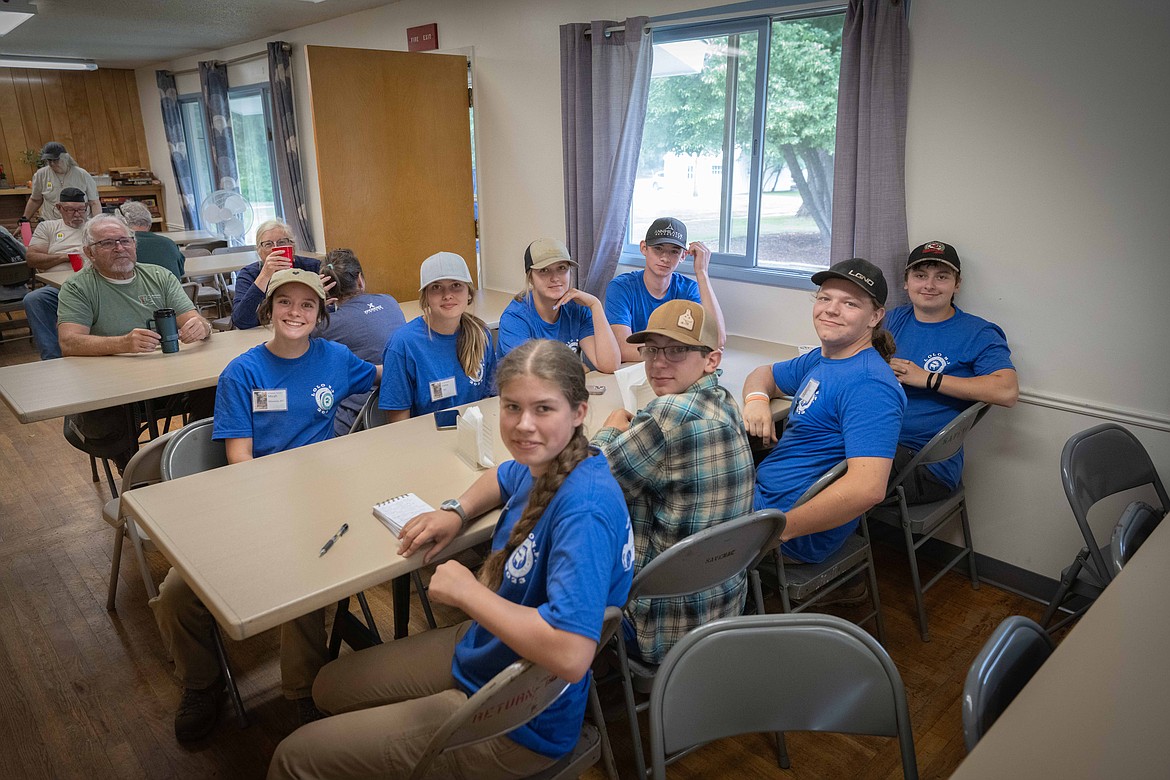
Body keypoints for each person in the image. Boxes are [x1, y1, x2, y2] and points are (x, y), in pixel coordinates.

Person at [268, 339, 635, 780]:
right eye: (512, 407)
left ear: (578, 412)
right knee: (327, 686)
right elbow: (504, 475)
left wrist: (467, 593)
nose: (523, 425)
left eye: (543, 409)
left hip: (519, 722)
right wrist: (455, 512)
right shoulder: (555, 461)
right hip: (488, 648)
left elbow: (573, 655)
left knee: (293, 757)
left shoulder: (585, 510)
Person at [151, 267, 380, 743]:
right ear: (268, 310)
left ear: (320, 316)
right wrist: (268, 516)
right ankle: (202, 683)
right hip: (253, 498)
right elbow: (240, 459)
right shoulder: (243, 371)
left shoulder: (335, 358)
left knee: (303, 584)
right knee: (176, 594)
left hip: (319, 496)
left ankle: (300, 692)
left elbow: (381, 374)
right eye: (285, 303)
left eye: (307, 305)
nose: (295, 312)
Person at [592, 299, 754, 663]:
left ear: (711, 359)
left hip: (658, 628)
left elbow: (584, 486)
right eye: (651, 350)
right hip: (721, 609)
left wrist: (606, 432)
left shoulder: (667, 416)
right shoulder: (726, 401)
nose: (658, 363)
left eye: (677, 350)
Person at [742, 258, 905, 568]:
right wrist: (756, 400)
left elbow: (867, 489)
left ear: (875, 317)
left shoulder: (869, 386)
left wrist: (779, 531)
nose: (831, 309)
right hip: (766, 499)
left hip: (785, 526)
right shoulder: (824, 358)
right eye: (825, 298)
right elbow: (764, 374)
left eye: (850, 304)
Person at [886, 241, 1018, 503]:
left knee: (823, 473)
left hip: (922, 466)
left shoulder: (978, 333)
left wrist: (927, 378)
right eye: (920, 275)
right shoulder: (890, 320)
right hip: (874, 439)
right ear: (906, 282)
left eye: (942, 277)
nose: (929, 285)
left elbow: (1007, 391)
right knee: (802, 451)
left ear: (957, 284)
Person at [57, 215, 211, 356]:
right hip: (109, 372)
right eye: (107, 243)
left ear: (134, 244)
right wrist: (123, 343)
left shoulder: (161, 276)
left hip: (164, 363)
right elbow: (69, 343)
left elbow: (195, 319)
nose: (120, 248)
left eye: (125, 241)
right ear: (90, 252)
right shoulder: (77, 287)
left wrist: (202, 327)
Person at [379, 252, 496, 421]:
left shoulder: (481, 334)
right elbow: (398, 424)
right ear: (425, 297)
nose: (447, 294)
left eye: (456, 285)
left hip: (474, 435)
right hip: (425, 441)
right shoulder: (403, 345)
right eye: (436, 287)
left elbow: (489, 400)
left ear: (469, 293)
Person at [604, 216, 726, 362]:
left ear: (683, 256)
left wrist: (702, 273)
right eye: (658, 249)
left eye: (674, 252)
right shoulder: (621, 288)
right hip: (633, 370)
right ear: (644, 248)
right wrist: (682, 351)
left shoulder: (688, 289)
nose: (665, 258)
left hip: (675, 369)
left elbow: (717, 341)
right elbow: (622, 349)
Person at [316, 247, 406, 435]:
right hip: (401, 402)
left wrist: (314, 306)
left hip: (359, 415)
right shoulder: (389, 300)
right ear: (359, 280)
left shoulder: (325, 325)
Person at [497, 238, 621, 372]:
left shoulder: (577, 309)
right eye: (544, 270)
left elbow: (610, 365)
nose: (555, 278)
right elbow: (533, 373)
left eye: (562, 268)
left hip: (563, 389)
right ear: (530, 277)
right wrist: (577, 368)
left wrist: (595, 305)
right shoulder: (515, 318)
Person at [23, 187, 91, 359]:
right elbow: (32, 258)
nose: (77, 214)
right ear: (59, 208)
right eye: (70, 209)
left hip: (90, 285)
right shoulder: (48, 227)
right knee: (34, 299)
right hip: (57, 288)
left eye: (81, 209)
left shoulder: (94, 227)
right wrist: (65, 257)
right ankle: (53, 357)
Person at [231, 219, 321, 329]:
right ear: (259, 251)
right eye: (268, 244)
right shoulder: (249, 274)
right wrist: (265, 275)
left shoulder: (312, 268)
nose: (275, 248)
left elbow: (331, 308)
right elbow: (241, 320)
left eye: (282, 242)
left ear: (292, 247)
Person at [20, 142, 100, 221]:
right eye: (49, 160)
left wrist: (98, 223)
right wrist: (24, 221)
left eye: (55, 160)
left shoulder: (82, 174)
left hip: (79, 222)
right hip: (51, 223)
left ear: (66, 158)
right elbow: (35, 200)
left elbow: (94, 203)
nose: (52, 164)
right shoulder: (40, 175)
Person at [117, 200, 185, 279]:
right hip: (173, 290)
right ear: (150, 224)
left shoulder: (121, 248)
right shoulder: (169, 243)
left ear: (121, 223)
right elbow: (181, 272)